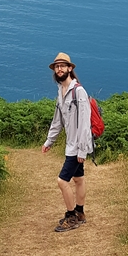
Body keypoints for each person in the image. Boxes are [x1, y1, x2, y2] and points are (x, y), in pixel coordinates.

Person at [41, 52, 94, 232]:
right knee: (78, 179)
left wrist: (82, 150)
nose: (59, 69)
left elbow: (86, 123)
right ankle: (80, 213)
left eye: (63, 66)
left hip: (77, 147)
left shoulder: (78, 91)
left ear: (70, 69)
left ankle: (71, 217)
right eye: (57, 66)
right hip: (70, 145)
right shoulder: (61, 92)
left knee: (62, 181)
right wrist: (49, 141)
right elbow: (58, 121)